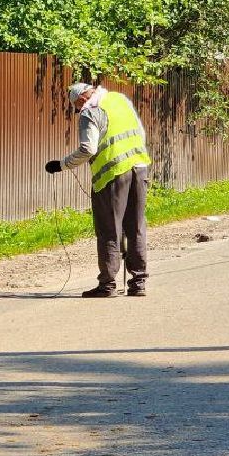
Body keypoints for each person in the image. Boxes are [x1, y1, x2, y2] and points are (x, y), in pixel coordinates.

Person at [45, 81, 152, 298]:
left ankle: (107, 285)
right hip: (139, 167)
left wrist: (62, 164)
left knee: (109, 230)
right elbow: (140, 132)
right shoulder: (120, 99)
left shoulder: (89, 112)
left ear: (82, 99)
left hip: (112, 176)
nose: (78, 111)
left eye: (76, 107)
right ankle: (138, 283)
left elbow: (88, 148)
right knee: (136, 226)